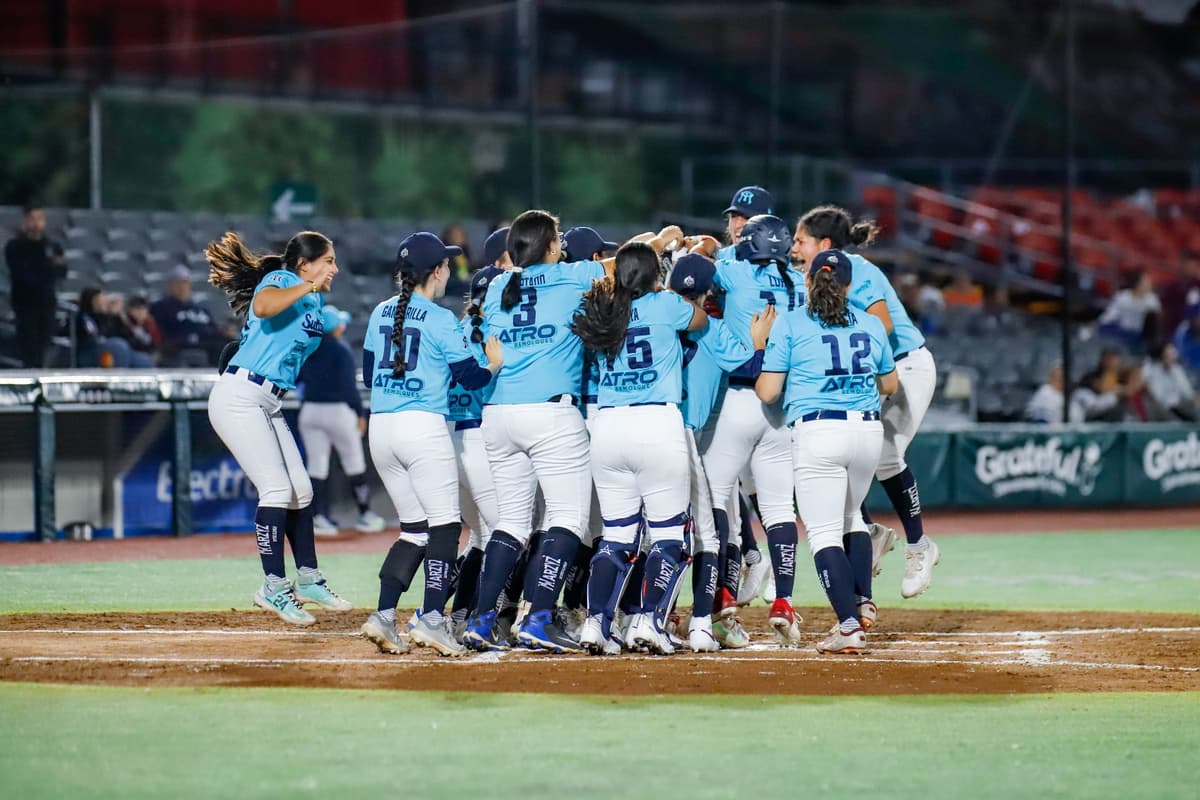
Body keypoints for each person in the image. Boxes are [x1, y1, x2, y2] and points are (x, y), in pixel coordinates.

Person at [461, 211, 681, 654]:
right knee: (565, 519)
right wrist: (663, 237)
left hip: (498, 413)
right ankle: (538, 618)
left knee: (510, 523)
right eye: (557, 236)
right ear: (548, 245)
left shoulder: (502, 284)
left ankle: (482, 620)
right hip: (550, 413)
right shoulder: (571, 277)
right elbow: (628, 262)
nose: (562, 241)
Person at [358, 232, 503, 657]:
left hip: (382, 428)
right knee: (444, 527)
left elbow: (370, 377)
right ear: (437, 272)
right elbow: (470, 378)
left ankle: (385, 616)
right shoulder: (440, 319)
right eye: (444, 266)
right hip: (423, 426)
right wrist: (493, 364)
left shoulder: (379, 312)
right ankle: (434, 620)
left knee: (413, 530)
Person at [755, 249, 898, 654]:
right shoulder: (871, 324)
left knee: (822, 533)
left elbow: (768, 391)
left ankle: (849, 626)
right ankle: (861, 600)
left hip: (819, 429)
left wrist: (763, 346)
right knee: (852, 516)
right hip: (867, 429)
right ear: (849, 285)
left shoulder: (793, 322)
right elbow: (890, 385)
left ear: (809, 281)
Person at [793, 205, 940, 600]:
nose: (794, 248)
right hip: (864, 372)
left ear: (824, 244)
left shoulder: (857, 270)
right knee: (846, 453)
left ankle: (919, 545)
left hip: (904, 365)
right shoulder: (810, 275)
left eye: (800, 241)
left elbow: (883, 325)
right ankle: (871, 532)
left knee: (887, 456)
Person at [206, 230, 352, 626]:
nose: (334, 269)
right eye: (328, 261)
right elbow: (267, 306)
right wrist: (304, 283)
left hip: (268, 401)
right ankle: (272, 586)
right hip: (241, 396)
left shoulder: (315, 301)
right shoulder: (284, 280)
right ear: (305, 264)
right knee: (276, 489)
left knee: (301, 490)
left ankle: (307, 579)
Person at [571, 242, 707, 656]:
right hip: (655, 424)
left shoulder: (604, 310)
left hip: (608, 427)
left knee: (616, 537)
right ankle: (649, 621)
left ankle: (597, 624)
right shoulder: (665, 305)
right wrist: (667, 292)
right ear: (654, 275)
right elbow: (699, 321)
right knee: (669, 536)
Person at [698, 213, 806, 647]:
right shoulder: (798, 282)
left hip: (735, 399)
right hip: (779, 403)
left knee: (716, 503)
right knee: (779, 508)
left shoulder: (733, 270)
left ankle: (721, 596)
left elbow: (694, 275)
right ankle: (784, 600)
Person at [669, 252, 775, 652]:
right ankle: (706, 620)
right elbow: (748, 359)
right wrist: (759, 340)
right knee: (712, 532)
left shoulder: (653, 320)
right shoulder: (713, 331)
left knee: (641, 534)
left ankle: (631, 616)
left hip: (631, 428)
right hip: (692, 439)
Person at [446, 266, 504, 641]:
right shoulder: (498, 334)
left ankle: (454, 614)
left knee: (478, 535)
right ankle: (483, 617)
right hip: (477, 438)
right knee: (503, 532)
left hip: (446, 437)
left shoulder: (453, 328)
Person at [296, 305, 385, 536]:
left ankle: (317, 518)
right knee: (354, 464)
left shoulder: (308, 349)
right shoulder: (341, 350)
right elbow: (349, 388)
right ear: (336, 328)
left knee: (316, 466)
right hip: (338, 412)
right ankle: (365, 515)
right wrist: (360, 413)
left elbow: (297, 379)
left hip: (310, 410)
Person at [5, 205, 66, 368]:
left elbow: (62, 271)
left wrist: (47, 268)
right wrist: (48, 267)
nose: (36, 223)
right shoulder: (15, 246)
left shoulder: (52, 245)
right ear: (25, 221)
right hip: (25, 303)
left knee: (44, 344)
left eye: (40, 218)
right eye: (32, 219)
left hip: (47, 303)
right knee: (28, 346)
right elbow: (22, 273)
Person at [152, 264, 224, 366]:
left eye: (185, 282)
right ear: (170, 285)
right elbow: (161, 334)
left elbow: (215, 332)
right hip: (178, 349)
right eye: (178, 283)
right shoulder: (161, 307)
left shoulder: (201, 310)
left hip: (207, 347)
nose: (182, 287)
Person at [74, 287, 153, 369]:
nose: (104, 301)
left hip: (117, 350)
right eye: (101, 299)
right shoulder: (83, 316)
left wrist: (120, 318)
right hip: (91, 351)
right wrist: (109, 315)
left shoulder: (112, 317)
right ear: (93, 300)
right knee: (119, 346)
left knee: (144, 359)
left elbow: (125, 336)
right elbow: (95, 336)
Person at [1098, 273, 1161, 352]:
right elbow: (1110, 315)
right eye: (1146, 282)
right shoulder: (1123, 296)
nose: (1149, 285)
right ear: (1137, 284)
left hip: (1139, 334)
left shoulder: (1152, 300)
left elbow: (1155, 322)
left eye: (1149, 283)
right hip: (1122, 330)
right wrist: (1101, 323)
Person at [1142, 342, 1196, 421]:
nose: (1173, 355)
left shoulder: (1177, 370)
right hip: (1158, 408)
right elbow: (1156, 396)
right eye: (1169, 352)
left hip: (1177, 408)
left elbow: (1188, 393)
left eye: (1173, 352)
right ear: (1161, 354)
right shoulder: (1150, 369)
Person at [122, 296, 162, 360]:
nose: (140, 312)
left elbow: (157, 343)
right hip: (133, 355)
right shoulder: (125, 325)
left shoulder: (152, 324)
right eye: (136, 309)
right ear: (129, 311)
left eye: (143, 309)